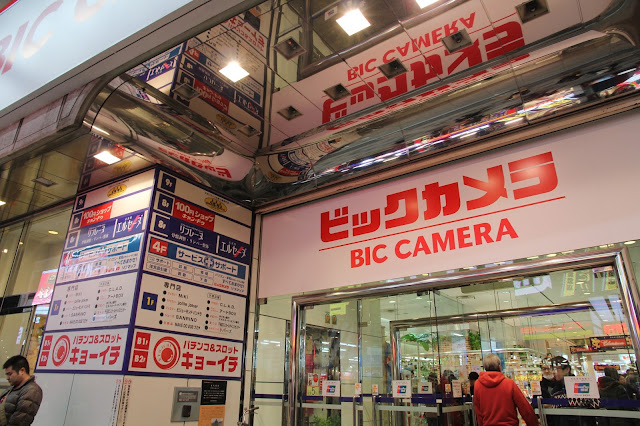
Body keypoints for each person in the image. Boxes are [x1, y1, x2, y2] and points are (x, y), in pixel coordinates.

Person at [473, 353, 538, 426]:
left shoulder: (478, 385)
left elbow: (478, 412)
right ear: (499, 367)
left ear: (485, 368)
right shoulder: (509, 384)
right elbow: (525, 408)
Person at [0, 355, 42, 426]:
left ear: (22, 371)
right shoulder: (13, 388)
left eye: (10, 374)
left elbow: (19, 421)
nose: (7, 378)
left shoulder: (32, 390)